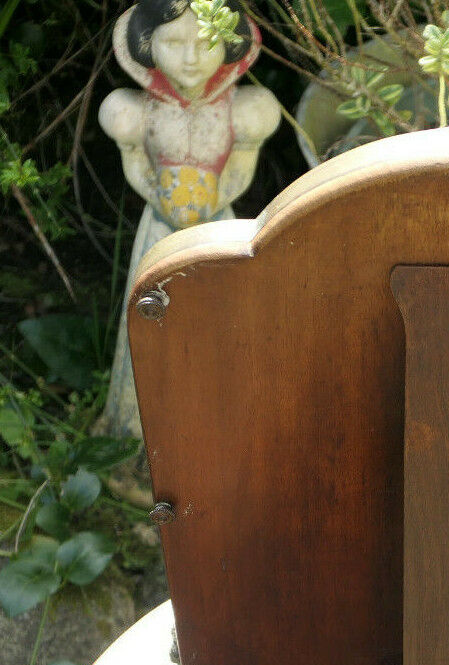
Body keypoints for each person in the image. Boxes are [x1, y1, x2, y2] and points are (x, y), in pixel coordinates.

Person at [98, 0, 280, 439]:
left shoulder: (246, 109)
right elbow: (137, 165)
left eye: (206, 42)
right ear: (146, 47)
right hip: (159, 231)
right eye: (174, 43)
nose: (191, 58)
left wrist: (205, 201)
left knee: (219, 318)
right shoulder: (135, 110)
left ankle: (222, 431)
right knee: (151, 316)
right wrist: (167, 201)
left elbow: (238, 170)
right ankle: (136, 434)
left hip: (216, 229)